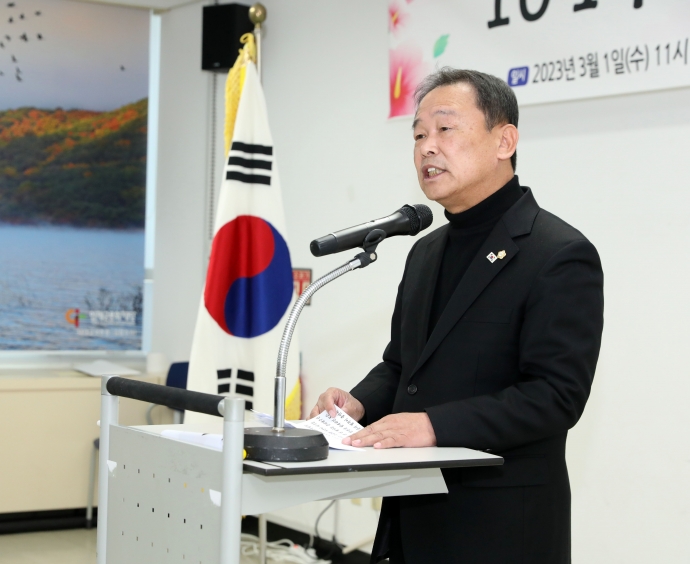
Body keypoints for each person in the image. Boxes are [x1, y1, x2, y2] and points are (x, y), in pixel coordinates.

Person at [310, 68, 604, 564]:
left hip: (501, 529)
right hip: (414, 517)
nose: (427, 147)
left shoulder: (558, 253)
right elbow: (403, 366)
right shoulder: (425, 252)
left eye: (445, 129)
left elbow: (556, 395)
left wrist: (433, 425)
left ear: (504, 141)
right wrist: (358, 402)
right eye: (418, 135)